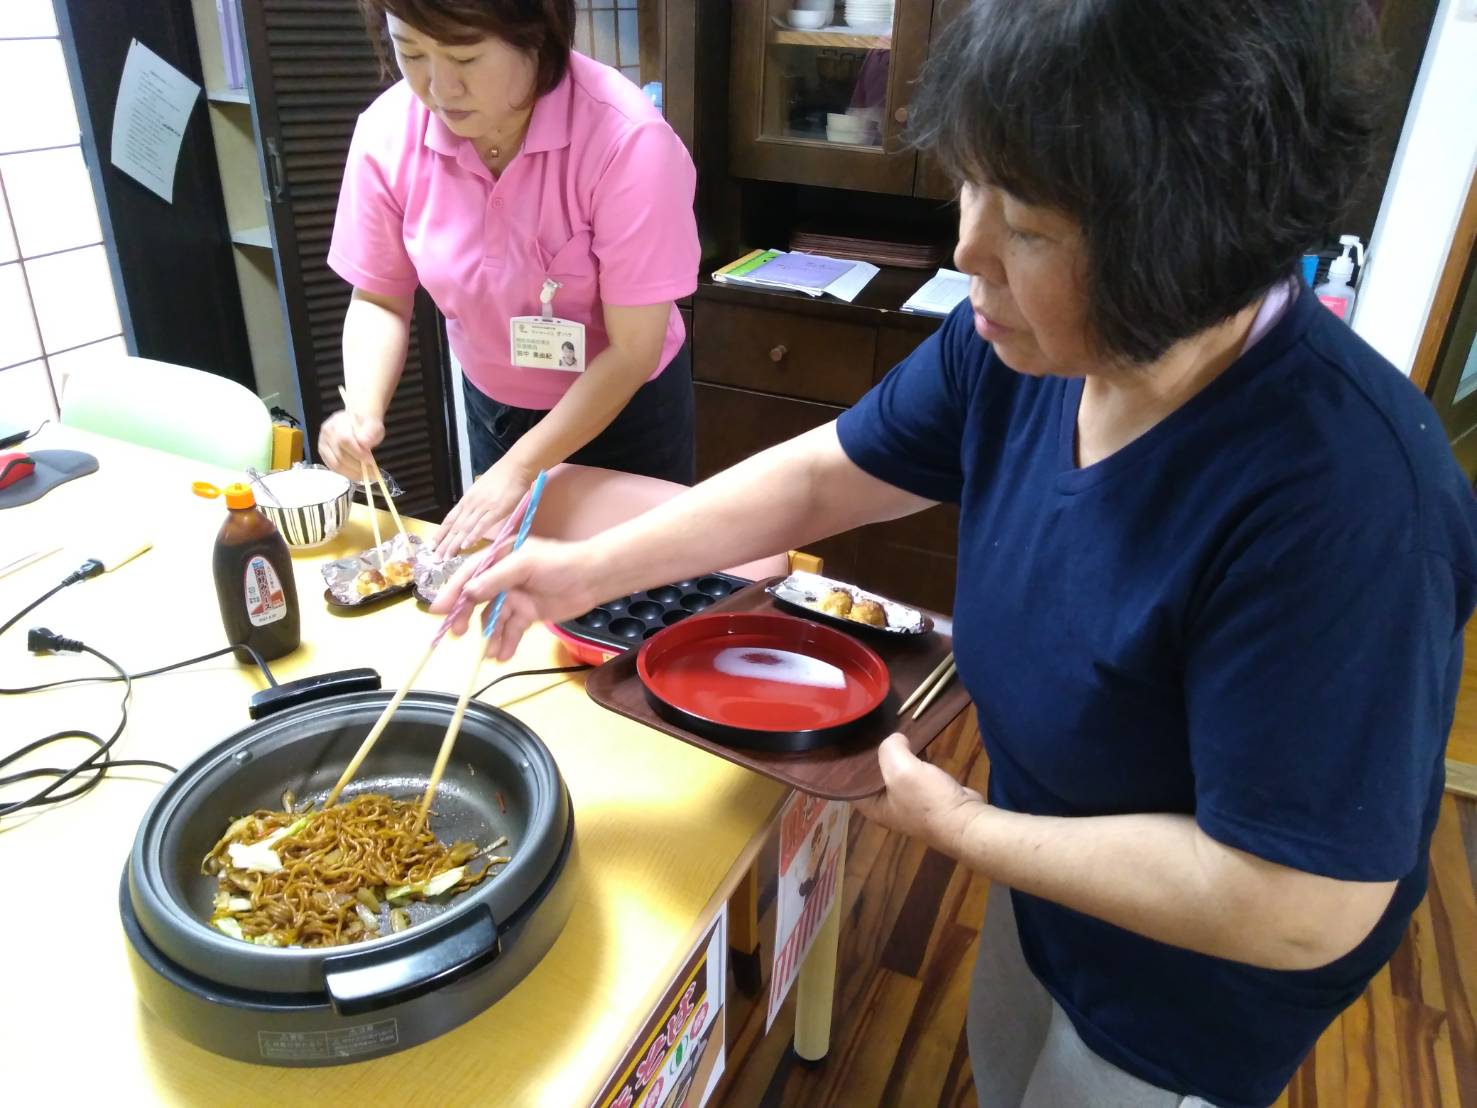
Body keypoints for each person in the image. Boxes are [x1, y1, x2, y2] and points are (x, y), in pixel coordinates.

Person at [434, 1, 1477, 1104]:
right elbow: (824, 473)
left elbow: (1300, 901)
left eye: (1025, 225)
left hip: (1186, 999)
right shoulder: (1028, 346)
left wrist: (967, 828)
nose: (965, 247)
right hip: (1049, 884)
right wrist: (591, 568)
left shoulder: (1349, 503)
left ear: (1186, 243)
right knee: (1005, 1062)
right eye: (975, 181)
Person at [318, 0, 700, 556]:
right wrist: (363, 413)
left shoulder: (626, 137)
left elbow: (633, 350)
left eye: (466, 57)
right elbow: (379, 298)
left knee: (629, 610)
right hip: (494, 405)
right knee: (508, 594)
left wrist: (522, 467)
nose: (440, 88)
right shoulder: (387, 133)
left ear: (535, 36)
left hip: (626, 412)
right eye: (411, 52)